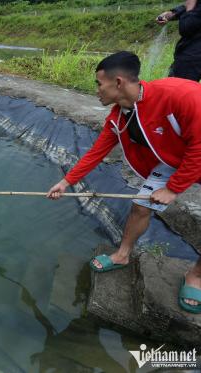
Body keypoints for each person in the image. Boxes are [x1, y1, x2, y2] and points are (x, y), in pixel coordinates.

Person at [46, 51, 201, 313]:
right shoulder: (120, 116)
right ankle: (122, 254)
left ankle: (196, 275)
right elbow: (97, 152)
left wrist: (173, 189)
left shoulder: (181, 95)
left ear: (118, 82)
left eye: (99, 84)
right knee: (141, 205)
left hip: (196, 152)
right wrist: (66, 181)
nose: (96, 91)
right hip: (173, 161)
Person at [156, 0, 201, 81]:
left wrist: (190, 6)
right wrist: (171, 14)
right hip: (193, 56)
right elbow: (190, 7)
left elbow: (187, 27)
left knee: (178, 90)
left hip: (192, 59)